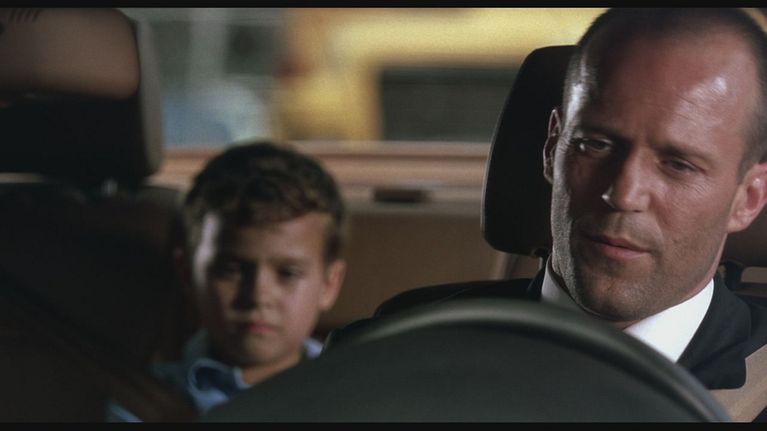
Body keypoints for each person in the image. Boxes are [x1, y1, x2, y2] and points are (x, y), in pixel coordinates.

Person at [329, 7, 767, 419]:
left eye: (678, 165)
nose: (622, 193)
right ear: (553, 146)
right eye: (596, 145)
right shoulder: (388, 356)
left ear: (748, 199)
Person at [109, 141, 347, 421]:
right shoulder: (144, 403)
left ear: (329, 285)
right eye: (230, 270)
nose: (257, 296)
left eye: (288, 273)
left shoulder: (356, 390)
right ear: (187, 274)